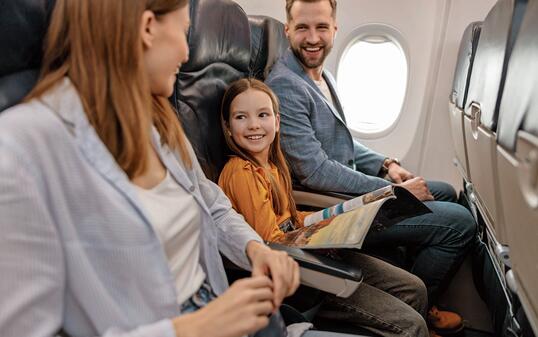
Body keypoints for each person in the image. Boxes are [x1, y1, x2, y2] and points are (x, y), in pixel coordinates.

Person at [0, 1, 304, 337]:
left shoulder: (157, 119)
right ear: (147, 27)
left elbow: (214, 207)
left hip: (222, 309)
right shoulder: (21, 147)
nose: (187, 55)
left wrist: (255, 249)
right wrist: (192, 328)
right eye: (185, 32)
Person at [265, 0, 477, 333]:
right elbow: (314, 171)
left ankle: (418, 301)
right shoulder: (285, 85)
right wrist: (392, 191)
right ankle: (419, 308)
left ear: (335, 29)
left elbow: (343, 142)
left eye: (321, 27)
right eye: (302, 27)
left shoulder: (323, 77)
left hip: (348, 193)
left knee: (445, 191)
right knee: (459, 224)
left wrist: (386, 164)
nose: (312, 38)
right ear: (287, 29)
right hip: (333, 209)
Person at [218, 77, 432, 337]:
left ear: (276, 121)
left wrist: (333, 221)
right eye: (241, 117)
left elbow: (290, 219)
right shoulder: (242, 172)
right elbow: (270, 241)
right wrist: (319, 238)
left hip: (313, 253)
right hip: (304, 277)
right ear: (228, 127)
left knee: (416, 289)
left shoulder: (273, 165)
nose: (253, 125)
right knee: (413, 325)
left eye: (262, 114)